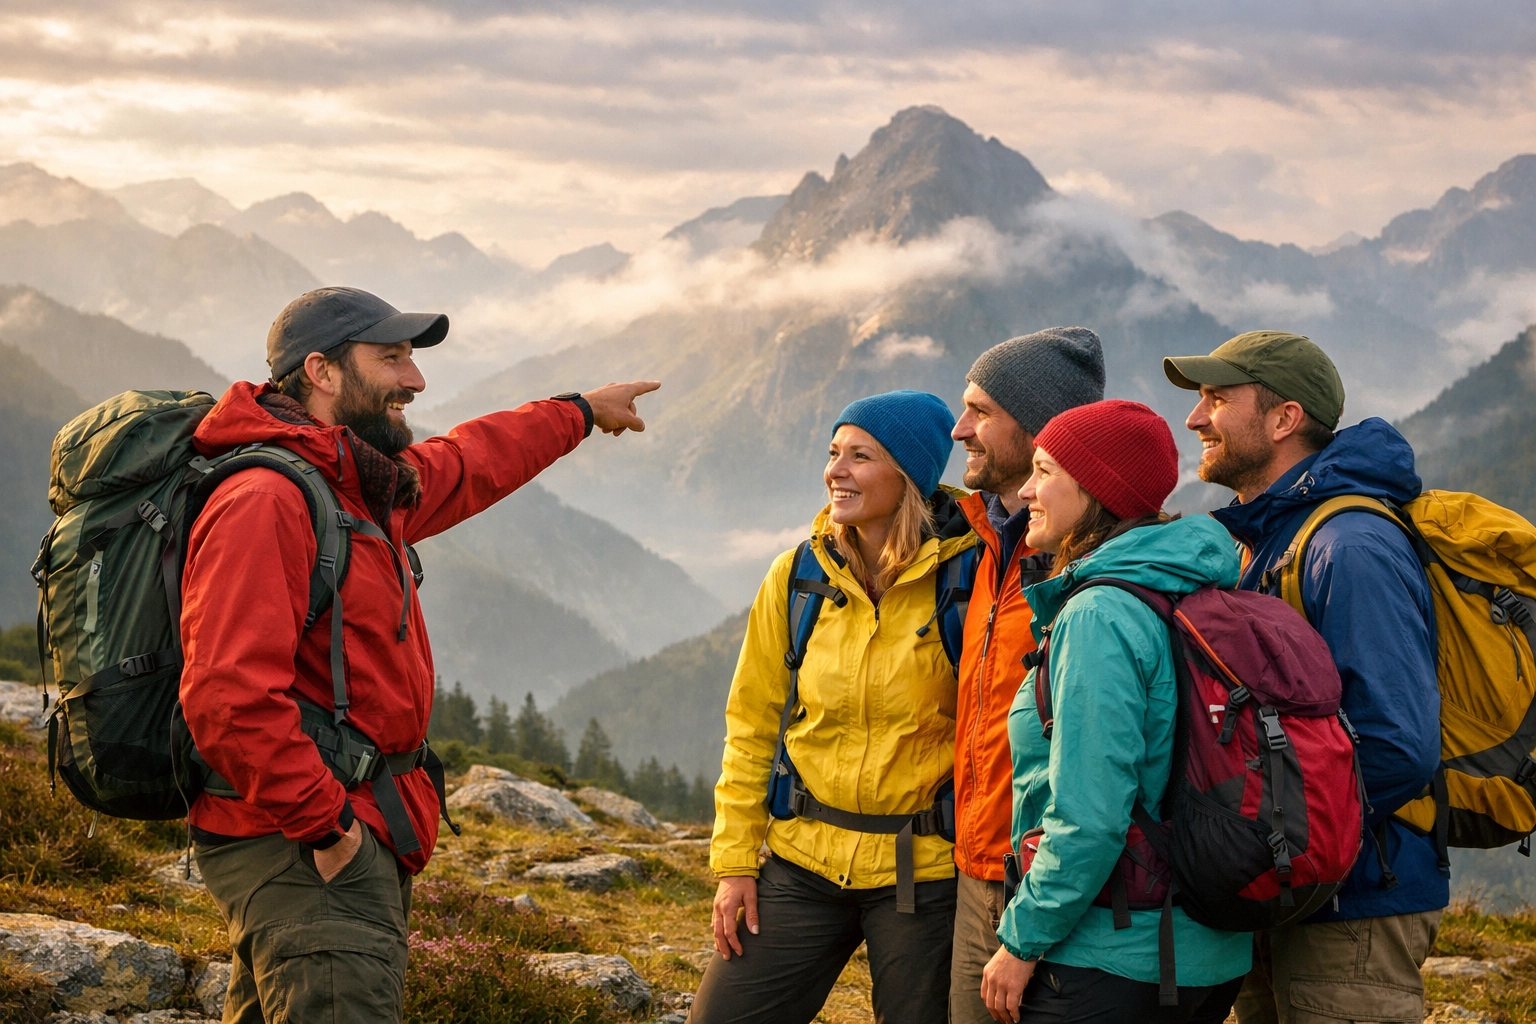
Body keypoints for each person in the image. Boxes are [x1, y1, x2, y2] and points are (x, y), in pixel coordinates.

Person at [179, 285, 659, 1024]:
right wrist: (329, 830)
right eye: (392, 357)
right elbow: (227, 695)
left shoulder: (355, 482)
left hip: (329, 834)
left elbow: (469, 462)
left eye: (412, 357)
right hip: (303, 846)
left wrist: (579, 412)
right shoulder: (267, 500)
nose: (415, 378)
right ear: (323, 371)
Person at [1163, 331, 1444, 1024]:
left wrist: (1274, 833)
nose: (1195, 419)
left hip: (1354, 904)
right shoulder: (1274, 537)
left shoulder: (1349, 546)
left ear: (1285, 419)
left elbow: (1399, 744)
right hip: (1291, 887)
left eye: (1216, 399)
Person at [694, 390, 975, 1024]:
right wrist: (736, 863)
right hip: (802, 862)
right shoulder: (797, 577)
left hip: (922, 872)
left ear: (908, 474)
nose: (835, 471)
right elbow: (752, 725)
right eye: (832, 453)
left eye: (860, 455)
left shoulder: (968, 580)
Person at [980, 399, 1252, 1023]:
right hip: (1202, 947)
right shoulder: (1184, 583)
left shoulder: (1099, 614)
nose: (1025, 490)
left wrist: (1021, 940)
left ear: (1094, 488)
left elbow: (1089, 817)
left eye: (1044, 471)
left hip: (1114, 956)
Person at [947, 327, 1105, 1024]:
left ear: (1038, 428)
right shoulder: (990, 540)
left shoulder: (1082, 573)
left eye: (980, 411)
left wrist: (1038, 908)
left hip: (1051, 883)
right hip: (980, 867)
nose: (961, 429)